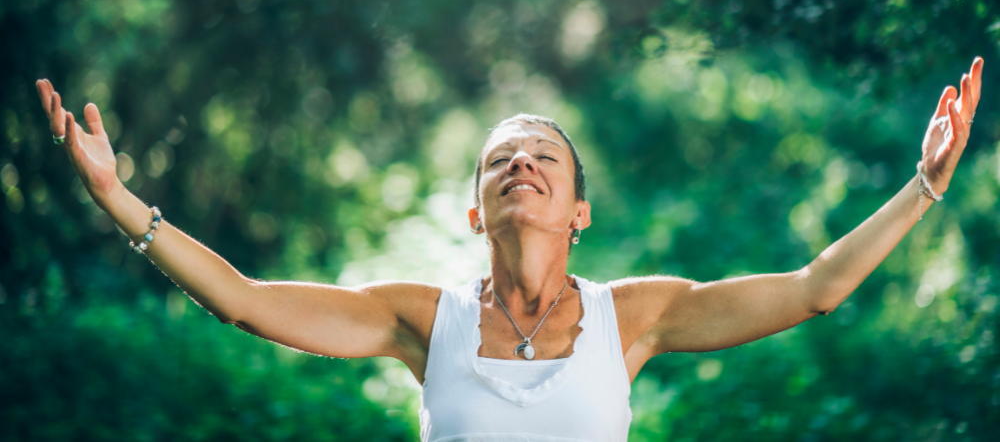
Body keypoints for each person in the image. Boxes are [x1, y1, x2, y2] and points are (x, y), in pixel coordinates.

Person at [35, 56, 984, 442]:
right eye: (501, 159)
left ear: (578, 211)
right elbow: (243, 299)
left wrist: (927, 183)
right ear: (477, 206)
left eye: (544, 157)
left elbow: (815, 288)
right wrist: (120, 199)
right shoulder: (421, 319)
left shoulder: (637, 316)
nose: (522, 163)